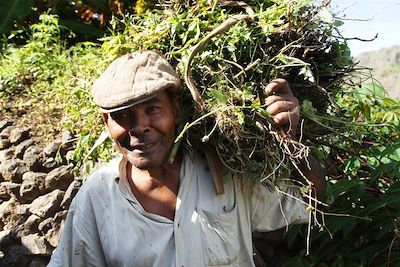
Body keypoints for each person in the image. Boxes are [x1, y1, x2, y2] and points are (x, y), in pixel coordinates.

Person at [48, 51, 325, 267]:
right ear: (106, 121)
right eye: (122, 116)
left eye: (153, 109)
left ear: (176, 109)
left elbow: (312, 200)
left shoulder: (226, 170)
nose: (139, 127)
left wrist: (291, 138)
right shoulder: (98, 196)